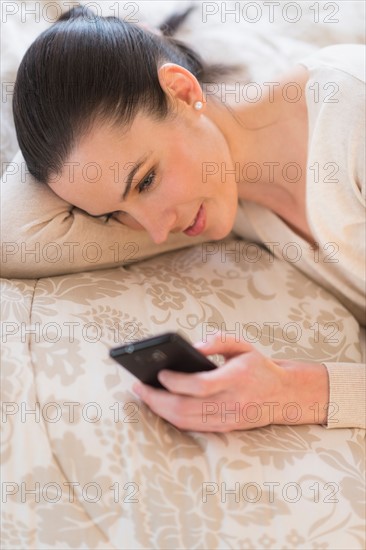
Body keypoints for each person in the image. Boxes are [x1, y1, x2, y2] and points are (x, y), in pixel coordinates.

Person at [12, 5, 365, 431]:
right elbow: (14, 234)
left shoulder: (352, 122)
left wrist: (290, 392)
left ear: (181, 91)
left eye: (145, 181)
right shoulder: (228, 204)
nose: (157, 232)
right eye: (114, 215)